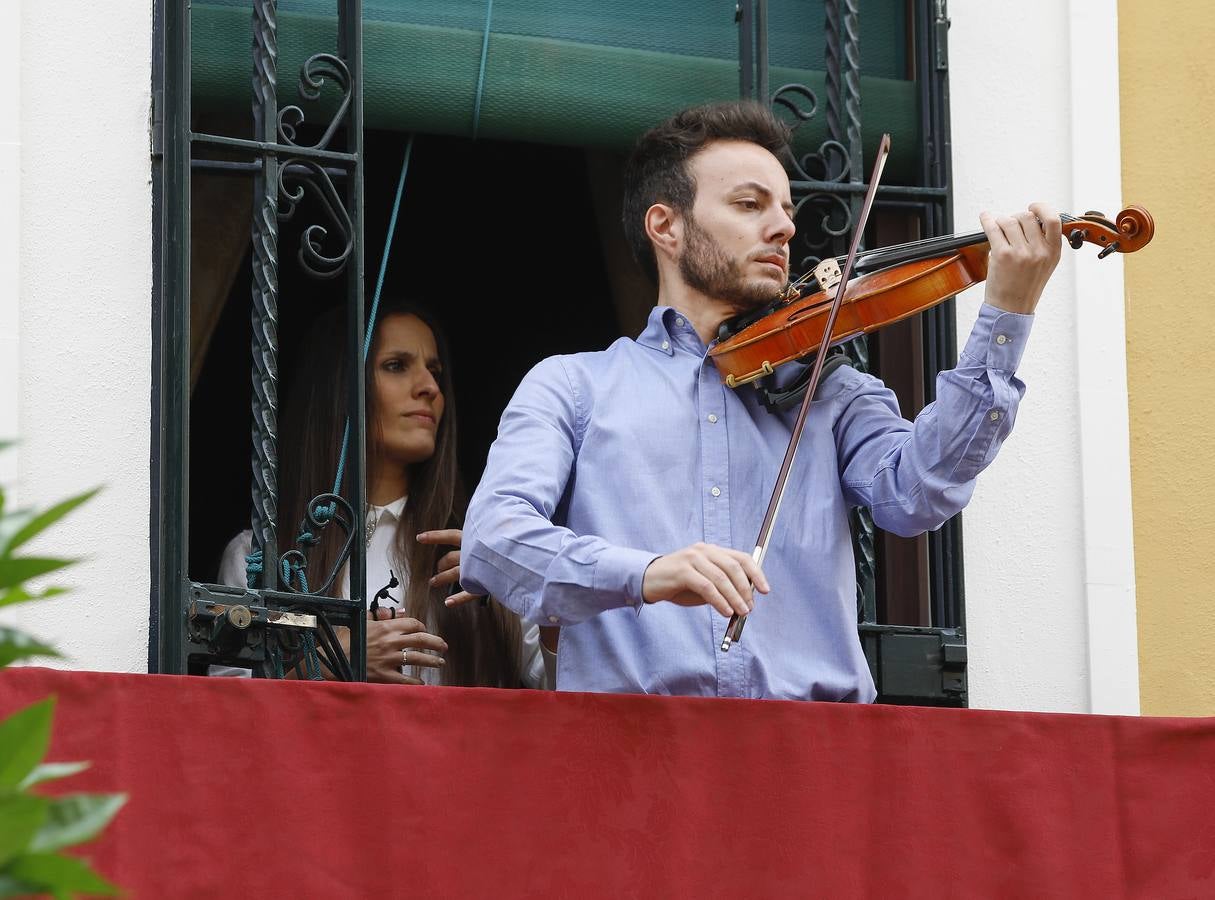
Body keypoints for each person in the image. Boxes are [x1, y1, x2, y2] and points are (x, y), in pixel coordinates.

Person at [457, 101, 1061, 701]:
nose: (784, 227)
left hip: (814, 757)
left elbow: (917, 493)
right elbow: (493, 539)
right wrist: (648, 574)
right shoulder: (573, 386)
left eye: (785, 209)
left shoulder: (829, 389)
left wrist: (1006, 316)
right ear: (666, 226)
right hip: (633, 755)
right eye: (750, 205)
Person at [217, 299, 549, 688]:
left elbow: (566, 691)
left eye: (435, 372)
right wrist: (321, 664)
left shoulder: (479, 550)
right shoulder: (259, 556)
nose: (429, 388)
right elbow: (227, 718)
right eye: (396, 366)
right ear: (340, 384)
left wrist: (527, 585)